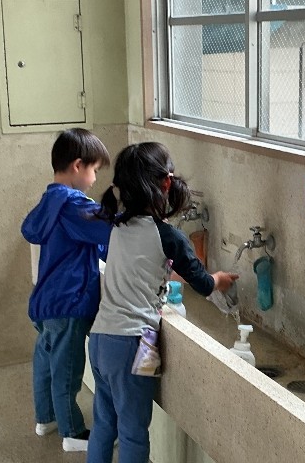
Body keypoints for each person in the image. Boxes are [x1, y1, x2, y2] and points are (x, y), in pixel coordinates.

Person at [86, 142, 238, 463]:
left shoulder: (117, 225)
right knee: (133, 432)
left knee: (104, 424)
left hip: (100, 340)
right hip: (135, 344)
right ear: (167, 183)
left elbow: (140, 267)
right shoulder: (168, 237)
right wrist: (220, 279)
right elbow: (203, 283)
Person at [21, 128, 112, 452]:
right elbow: (113, 231)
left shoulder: (51, 201)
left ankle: (45, 419)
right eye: (94, 170)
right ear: (77, 166)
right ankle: (73, 433)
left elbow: (85, 241)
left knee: (46, 363)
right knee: (67, 370)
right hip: (69, 301)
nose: (94, 179)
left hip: (47, 299)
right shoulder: (75, 205)